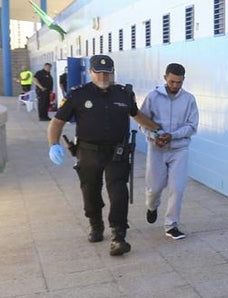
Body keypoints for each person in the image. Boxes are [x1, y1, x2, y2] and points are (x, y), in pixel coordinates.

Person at [46, 55, 161, 256]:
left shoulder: (124, 94)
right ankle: (95, 224)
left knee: (119, 192)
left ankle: (118, 235)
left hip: (117, 152)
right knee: (90, 190)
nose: (103, 76)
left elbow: (137, 115)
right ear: (91, 72)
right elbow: (57, 122)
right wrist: (53, 144)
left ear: (113, 72)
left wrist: (157, 129)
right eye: (98, 72)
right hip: (88, 152)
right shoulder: (78, 95)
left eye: (107, 72)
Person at [140, 63, 199, 240]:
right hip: (156, 149)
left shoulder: (189, 99)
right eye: (172, 81)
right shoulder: (153, 97)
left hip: (179, 149)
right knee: (155, 188)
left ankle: (171, 225)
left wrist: (172, 136)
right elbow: (142, 122)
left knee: (177, 188)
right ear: (165, 78)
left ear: (183, 80)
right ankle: (151, 206)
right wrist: (154, 136)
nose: (175, 85)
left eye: (179, 82)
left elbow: (192, 126)